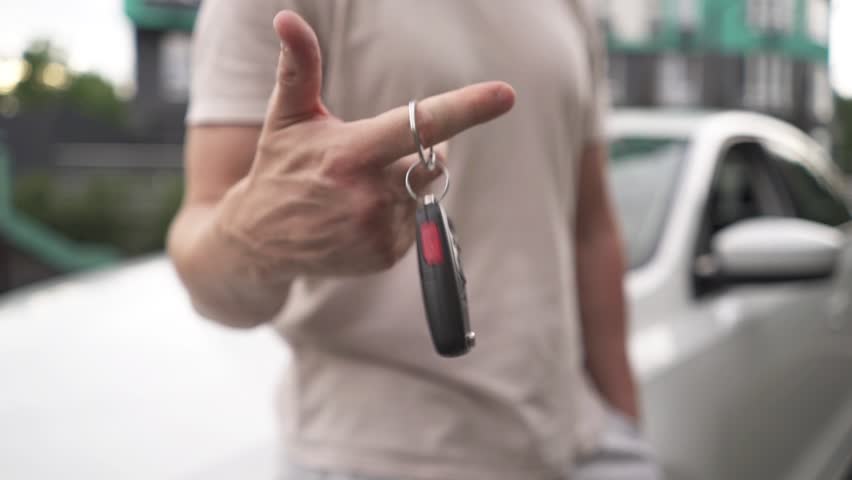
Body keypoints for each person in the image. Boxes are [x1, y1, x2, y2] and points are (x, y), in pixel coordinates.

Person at [168, 1, 660, 479]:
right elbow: (203, 257)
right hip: (377, 454)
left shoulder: (573, 8)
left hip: (580, 440)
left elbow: (591, 229)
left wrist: (625, 422)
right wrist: (260, 235)